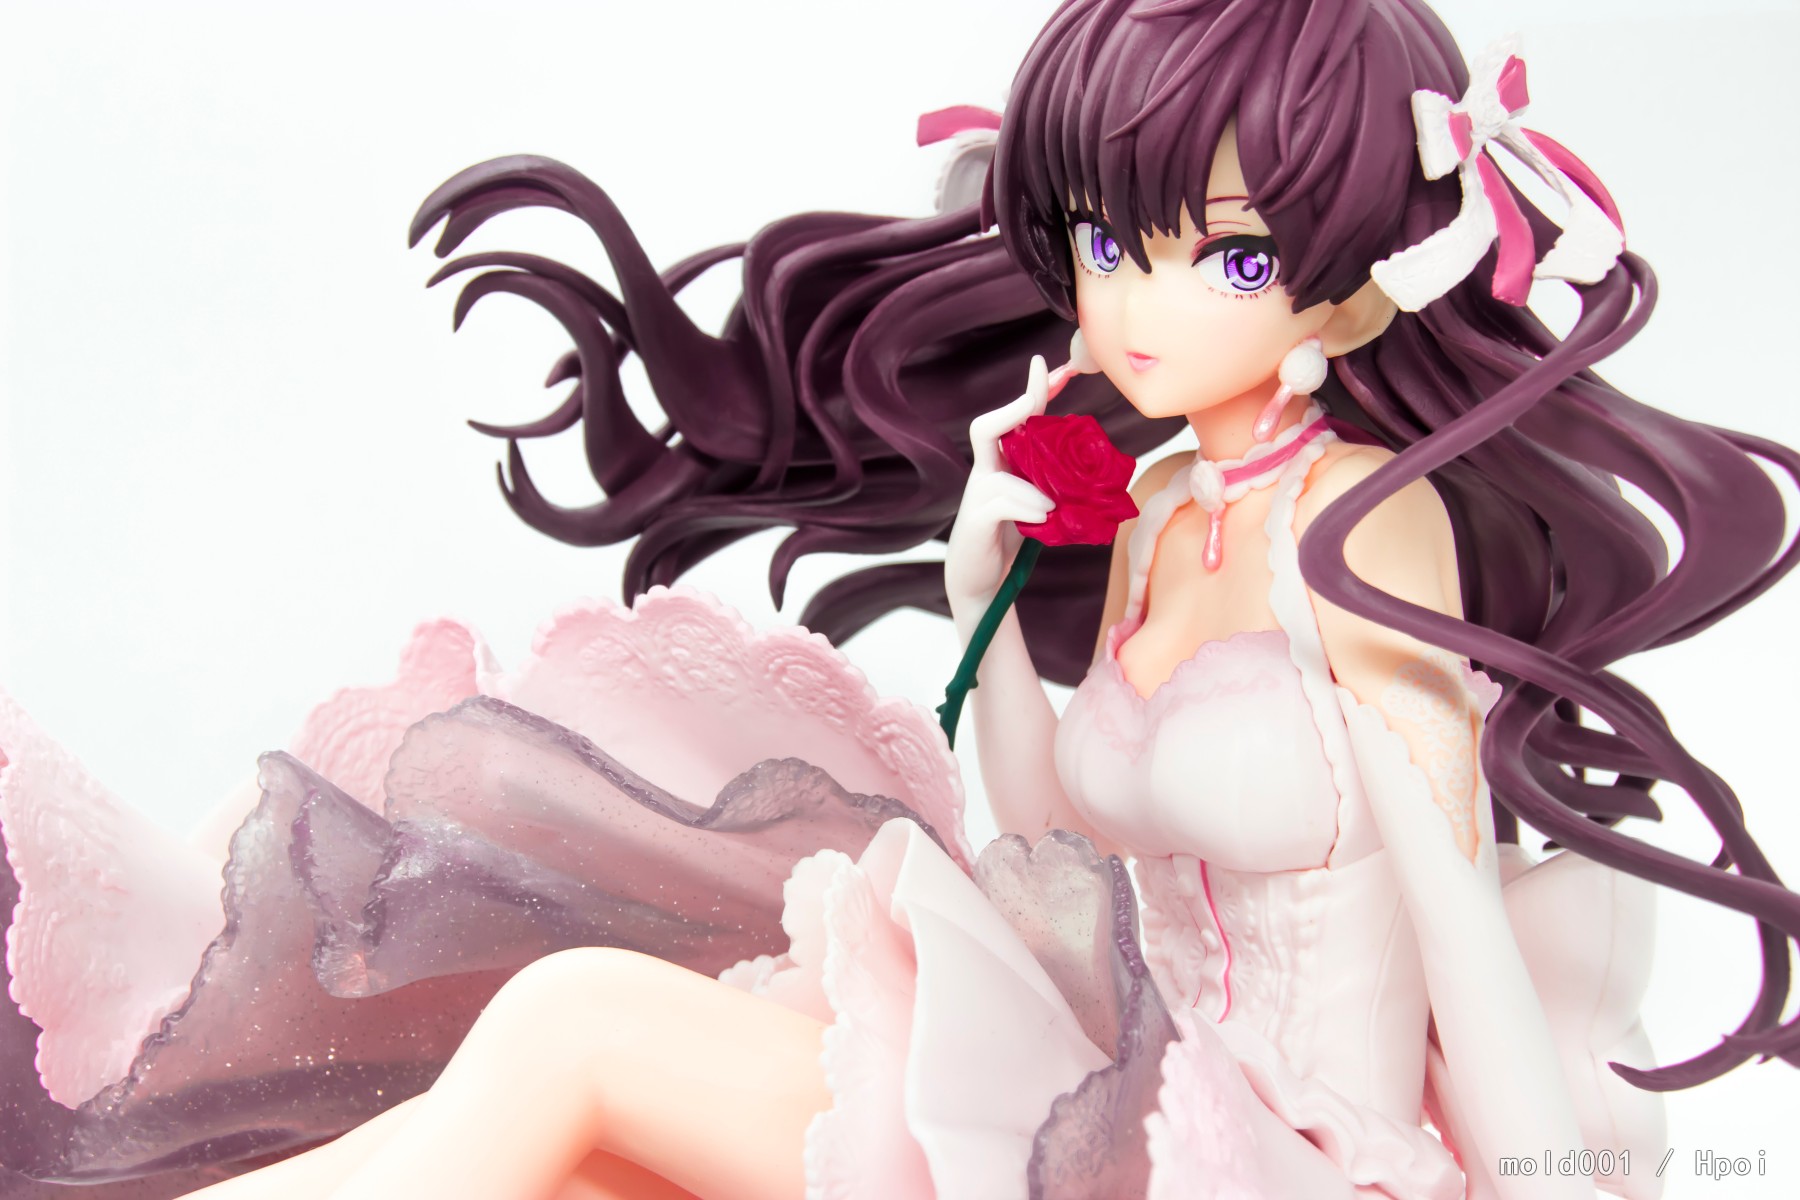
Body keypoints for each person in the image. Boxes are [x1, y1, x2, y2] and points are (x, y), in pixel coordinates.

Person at [2, 1, 1795, 1197]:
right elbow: (1054, 841)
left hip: (1276, 1154)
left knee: (578, 1036)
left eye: (1229, 256)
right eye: (1109, 243)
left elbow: (1458, 917)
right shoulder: (1161, 505)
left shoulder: (1369, 530)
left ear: (1357, 274)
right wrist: (986, 588)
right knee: (596, 1139)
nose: (1134, 307)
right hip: (1107, 1069)